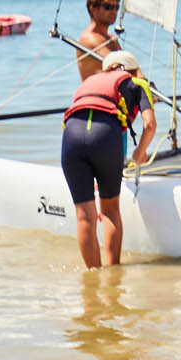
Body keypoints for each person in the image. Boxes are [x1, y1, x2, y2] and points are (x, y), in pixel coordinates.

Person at [60, 50, 156, 269]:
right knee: (110, 210)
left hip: (71, 135)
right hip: (104, 135)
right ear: (132, 70)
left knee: (85, 216)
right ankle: (112, 275)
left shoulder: (91, 80)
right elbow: (149, 125)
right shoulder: (137, 83)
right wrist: (139, 153)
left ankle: (93, 277)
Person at [75, 0, 121, 79]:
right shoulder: (88, 38)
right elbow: (116, 64)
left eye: (116, 7)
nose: (114, 12)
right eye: (108, 7)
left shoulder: (112, 39)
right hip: (96, 92)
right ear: (93, 9)